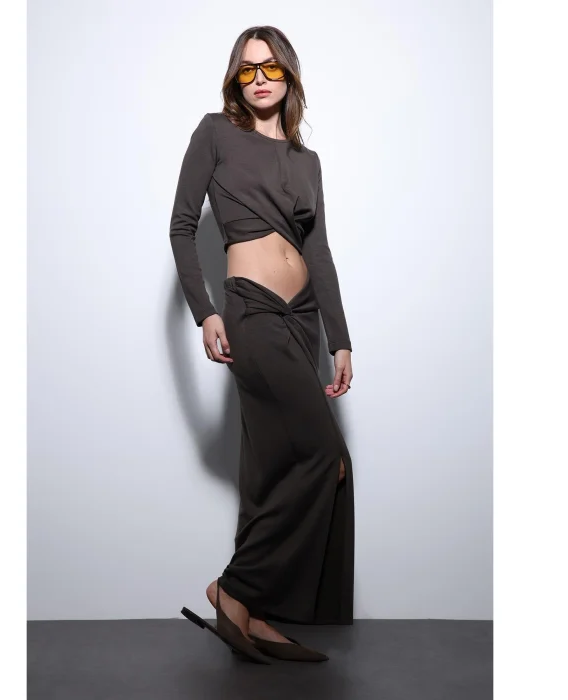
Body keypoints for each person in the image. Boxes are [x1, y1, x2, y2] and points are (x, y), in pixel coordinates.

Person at [173, 26, 355, 664]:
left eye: (271, 68)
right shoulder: (216, 134)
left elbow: (318, 253)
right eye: (247, 69)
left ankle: (254, 615)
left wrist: (340, 339)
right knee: (324, 458)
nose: (259, 79)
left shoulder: (308, 162)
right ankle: (234, 589)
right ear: (235, 78)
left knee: (270, 472)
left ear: (289, 76)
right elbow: (181, 227)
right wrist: (204, 312)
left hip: (303, 321)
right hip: (250, 310)